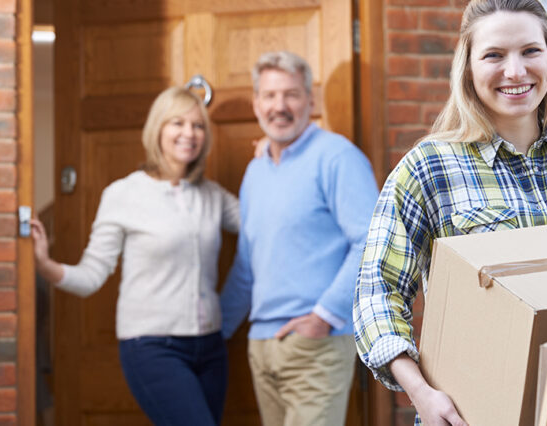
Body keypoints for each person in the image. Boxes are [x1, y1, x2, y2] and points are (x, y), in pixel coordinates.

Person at [353, 0, 547, 425]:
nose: (516, 71)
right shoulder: (429, 168)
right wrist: (422, 394)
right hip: (472, 414)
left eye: (530, 51)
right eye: (494, 55)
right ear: (467, 67)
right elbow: (377, 293)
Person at [30, 87, 239, 426]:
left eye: (198, 126)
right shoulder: (124, 194)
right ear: (157, 129)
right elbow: (92, 275)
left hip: (211, 347)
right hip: (153, 347)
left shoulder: (213, 195)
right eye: (178, 123)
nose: (189, 133)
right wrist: (46, 265)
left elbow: (262, 228)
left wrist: (271, 163)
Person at [220, 51, 378, 426]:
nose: (280, 106)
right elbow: (246, 264)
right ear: (256, 103)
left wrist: (323, 316)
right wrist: (215, 333)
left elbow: (370, 242)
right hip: (261, 345)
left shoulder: (336, 156)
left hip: (316, 344)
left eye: (291, 94)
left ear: (310, 100)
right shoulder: (255, 173)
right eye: (270, 96)